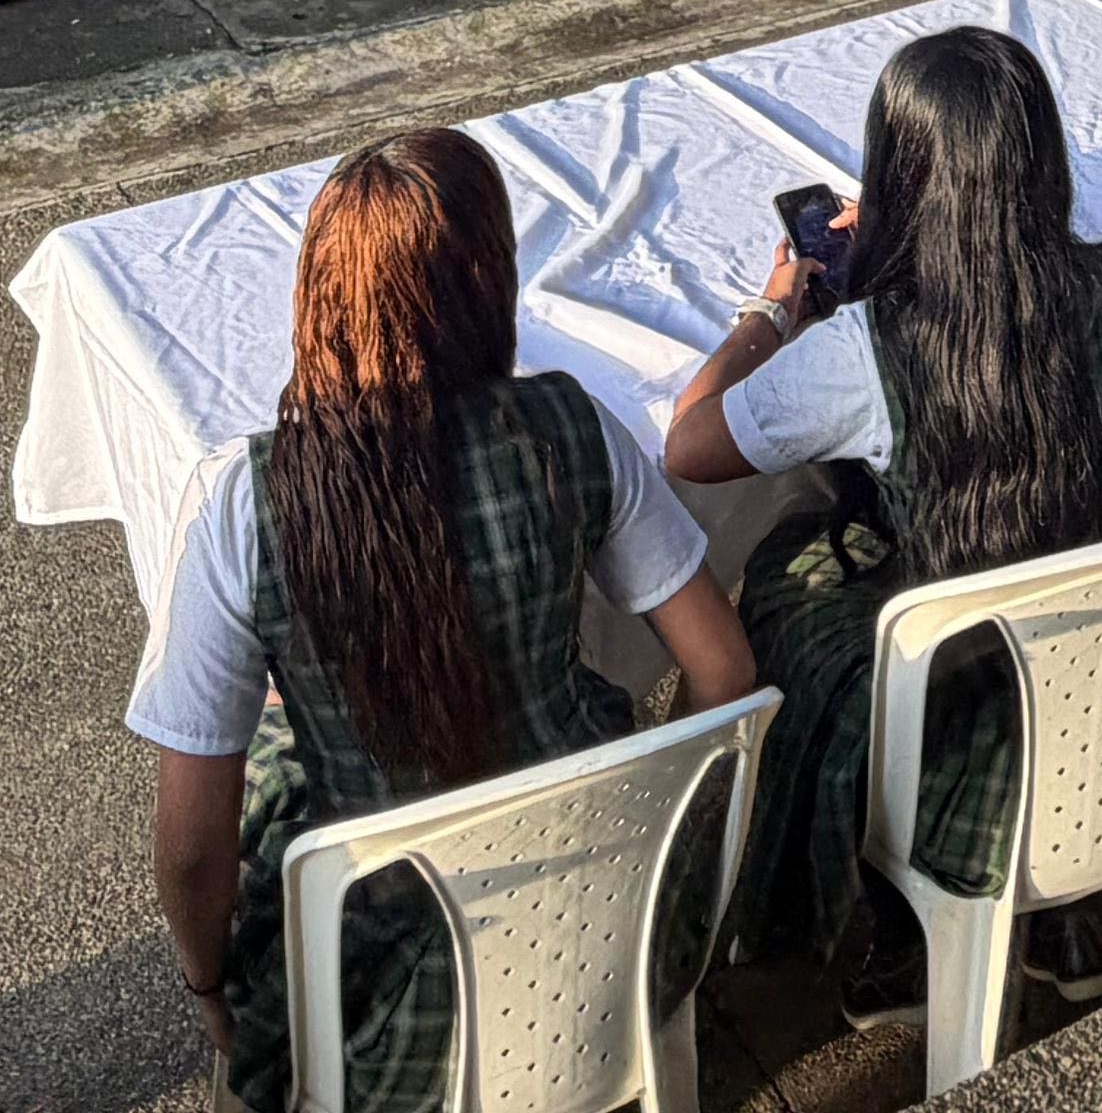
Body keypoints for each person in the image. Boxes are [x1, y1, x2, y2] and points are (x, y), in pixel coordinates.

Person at [136, 130, 758, 1113]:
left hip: (382, 1003)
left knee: (267, 750)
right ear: (488, 279)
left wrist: (209, 989)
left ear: (316, 291)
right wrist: (661, 829)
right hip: (614, 928)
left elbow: (191, 847)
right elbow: (723, 671)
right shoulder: (574, 429)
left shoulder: (243, 500)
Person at [661, 26, 1102, 1005]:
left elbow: (688, 444)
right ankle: (1065, 918)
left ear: (896, 177)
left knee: (786, 577)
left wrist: (770, 313)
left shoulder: (870, 342)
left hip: (960, 695)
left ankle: (900, 925)